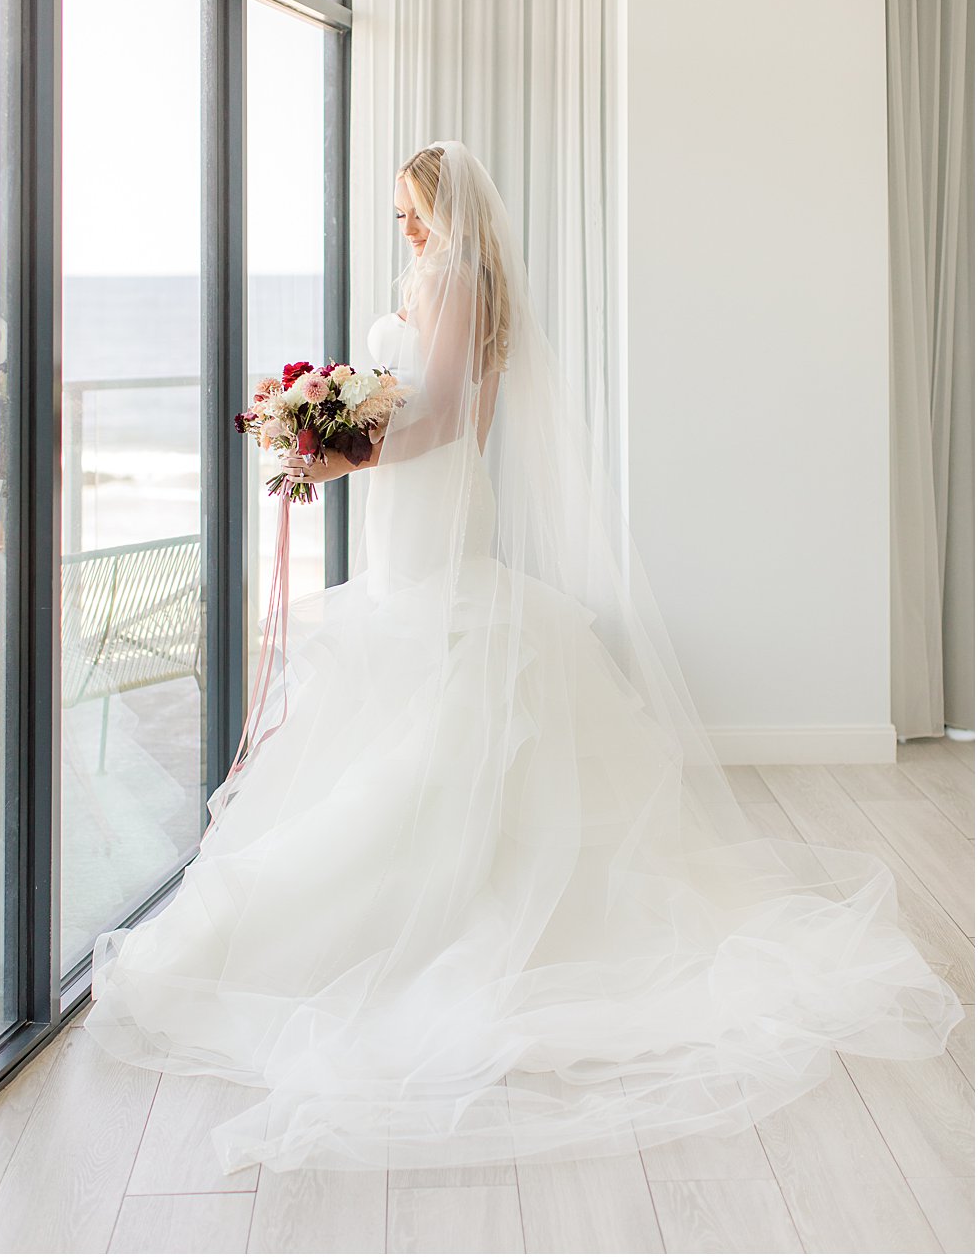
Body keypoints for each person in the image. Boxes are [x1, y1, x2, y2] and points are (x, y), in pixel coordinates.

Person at [84, 139, 964, 1176]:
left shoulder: (460, 277)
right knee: (408, 685)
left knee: (438, 685)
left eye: (413, 208)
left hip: (435, 512)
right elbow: (412, 402)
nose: (404, 226)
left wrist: (340, 450)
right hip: (410, 520)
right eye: (399, 213)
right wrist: (342, 430)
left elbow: (450, 415)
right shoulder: (437, 274)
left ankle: (430, 905)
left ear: (445, 205)